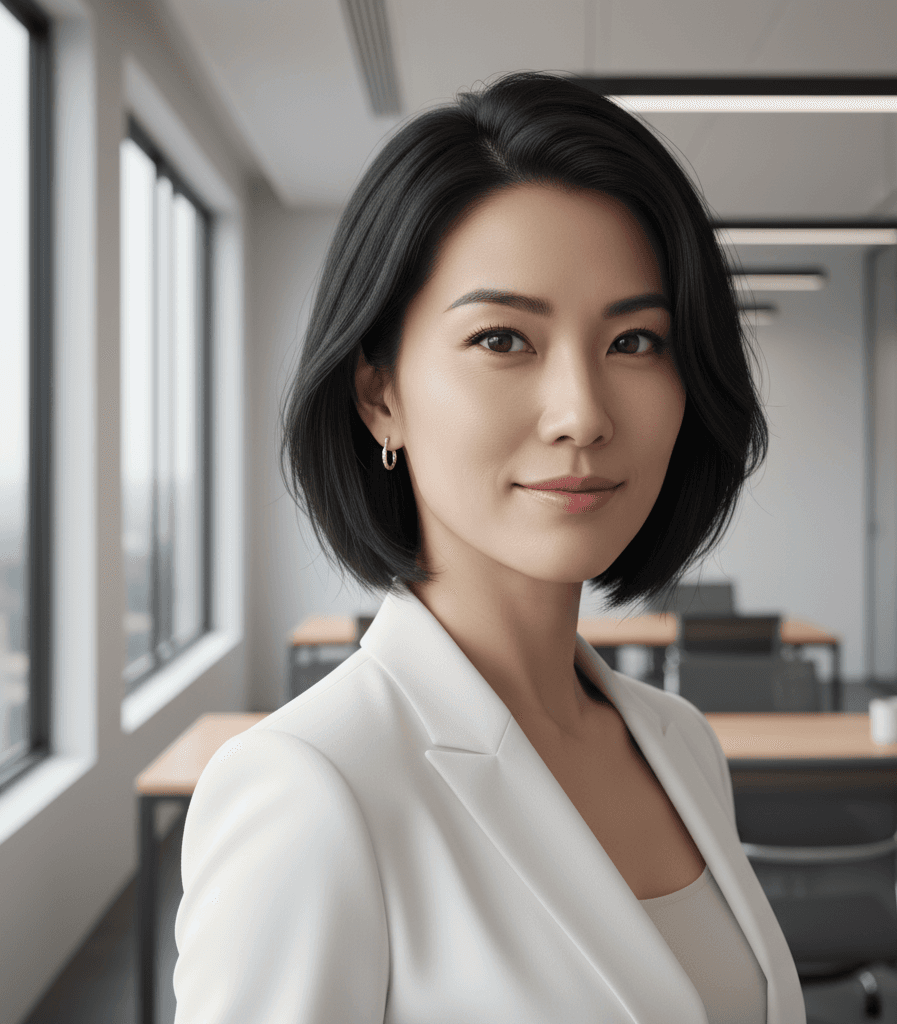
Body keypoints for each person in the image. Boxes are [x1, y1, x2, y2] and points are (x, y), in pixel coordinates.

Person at [172, 71, 804, 1024]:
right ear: (381, 393)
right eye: (504, 339)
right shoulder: (311, 788)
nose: (583, 415)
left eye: (635, 342)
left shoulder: (680, 743)